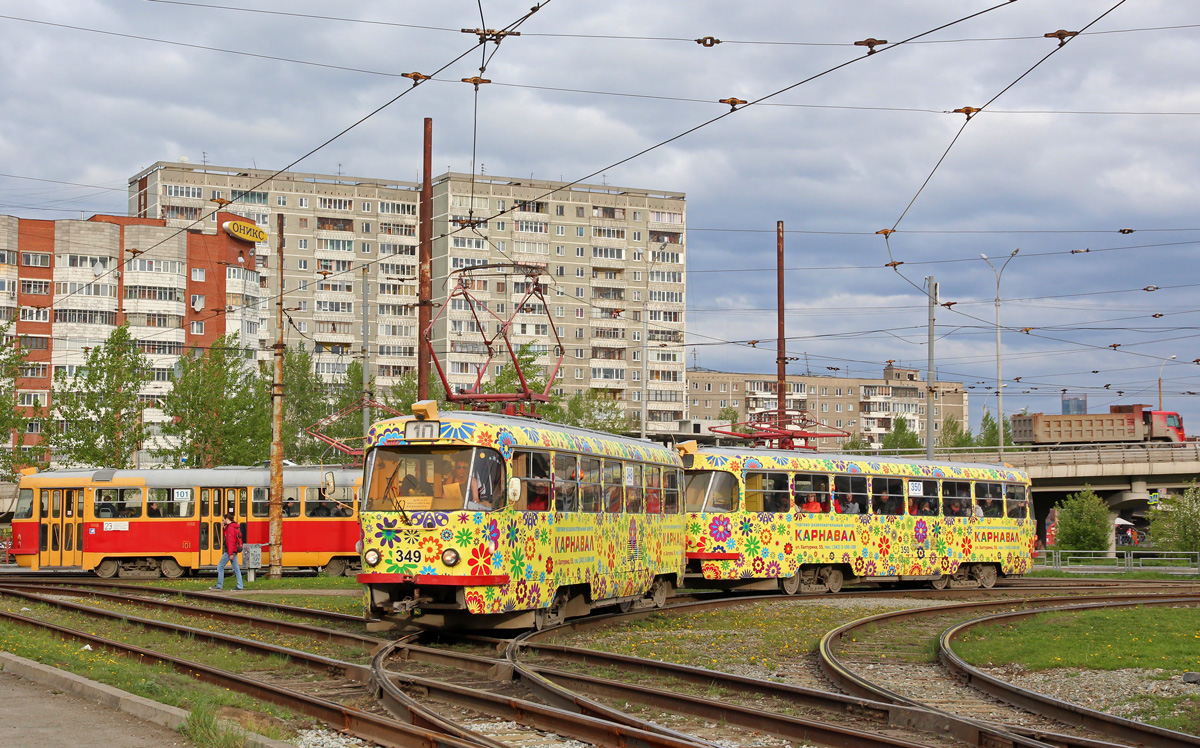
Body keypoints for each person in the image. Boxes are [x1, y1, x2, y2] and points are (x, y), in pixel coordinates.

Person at [211, 511, 243, 591]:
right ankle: (240, 586)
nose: (223, 521)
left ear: (227, 519)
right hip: (233, 551)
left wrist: (230, 553)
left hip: (229, 551)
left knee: (220, 566)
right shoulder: (232, 527)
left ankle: (219, 585)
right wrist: (224, 528)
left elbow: (230, 541)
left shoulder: (230, 528)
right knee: (236, 568)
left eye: (223, 520)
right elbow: (228, 537)